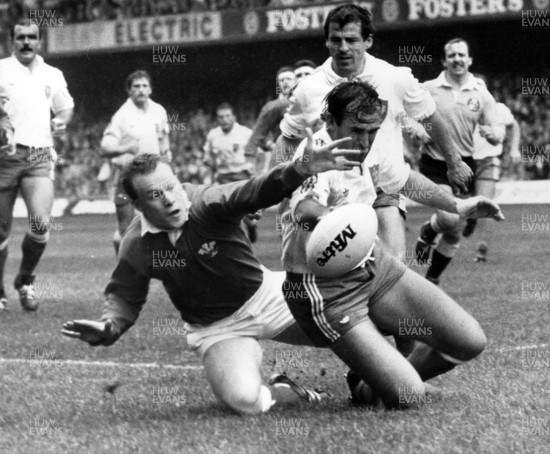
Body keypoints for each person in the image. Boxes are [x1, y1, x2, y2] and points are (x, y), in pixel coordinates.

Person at [61, 139, 361, 415]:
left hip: (267, 296)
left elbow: (254, 190)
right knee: (245, 401)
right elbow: (125, 296)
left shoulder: (205, 201)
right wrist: (109, 326)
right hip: (217, 328)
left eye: (171, 186)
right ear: (138, 205)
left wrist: (298, 170)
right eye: (154, 195)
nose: (168, 199)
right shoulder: (136, 245)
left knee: (350, 327)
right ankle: (284, 389)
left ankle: (372, 377)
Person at [281, 81, 504, 408]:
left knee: (469, 341)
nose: (364, 140)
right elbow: (304, 209)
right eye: (356, 129)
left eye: (371, 130)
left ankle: (372, 377)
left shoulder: (370, 149)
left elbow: (405, 180)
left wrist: (457, 205)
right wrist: (337, 220)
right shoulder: (315, 152)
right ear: (330, 121)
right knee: (408, 396)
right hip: (325, 289)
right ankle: (378, 384)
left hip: (373, 267)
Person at [278, 4, 473, 262]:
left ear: (368, 41)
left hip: (385, 186)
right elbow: (288, 137)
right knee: (343, 268)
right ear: (326, 42)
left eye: (351, 40)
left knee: (392, 267)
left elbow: (429, 117)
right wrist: (282, 182)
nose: (343, 47)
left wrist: (454, 162)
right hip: (333, 194)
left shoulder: (394, 78)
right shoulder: (308, 88)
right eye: (336, 40)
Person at [415, 38, 504, 284]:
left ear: (469, 59)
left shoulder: (482, 94)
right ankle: (431, 228)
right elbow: (404, 114)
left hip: (465, 165)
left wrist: (494, 134)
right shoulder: (429, 88)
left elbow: (497, 127)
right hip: (435, 163)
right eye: (451, 55)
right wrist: (417, 128)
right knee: (450, 219)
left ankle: (432, 279)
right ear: (444, 60)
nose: (457, 59)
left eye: (461, 55)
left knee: (454, 234)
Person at [0, 20, 74, 311]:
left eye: (32, 37)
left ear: (40, 41)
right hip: (4, 156)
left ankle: (26, 280)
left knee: (41, 223)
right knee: (1, 230)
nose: (27, 42)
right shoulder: (1, 70)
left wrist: (61, 121)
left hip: (40, 153)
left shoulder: (52, 74)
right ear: (12, 41)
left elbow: (65, 106)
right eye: (21, 37)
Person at [101, 70, 170, 254]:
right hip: (126, 178)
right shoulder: (121, 116)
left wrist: (166, 158)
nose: (141, 90)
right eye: (136, 86)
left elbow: (163, 138)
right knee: (127, 228)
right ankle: (125, 264)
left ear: (150, 89)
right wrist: (125, 148)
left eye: (144, 86)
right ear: (129, 91)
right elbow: (105, 148)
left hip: (151, 176)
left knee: (161, 222)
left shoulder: (159, 111)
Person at [464, 76, 521, 262]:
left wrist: (513, 149)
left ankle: (482, 248)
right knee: (466, 204)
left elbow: (515, 126)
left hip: (489, 160)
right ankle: (471, 217)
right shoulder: (461, 109)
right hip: (464, 161)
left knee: (486, 203)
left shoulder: (499, 109)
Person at [245, 62, 316, 175]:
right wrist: (250, 158)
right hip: (286, 154)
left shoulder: (324, 99)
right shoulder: (279, 105)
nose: (286, 83)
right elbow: (259, 131)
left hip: (314, 153)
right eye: (282, 80)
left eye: (288, 79)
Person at [204, 103, 256, 241]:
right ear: (217, 119)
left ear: (234, 117)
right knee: (223, 212)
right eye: (221, 117)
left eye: (227, 116)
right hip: (223, 177)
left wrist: (253, 166)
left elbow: (260, 152)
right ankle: (230, 240)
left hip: (241, 176)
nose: (224, 120)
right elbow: (208, 156)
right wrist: (210, 165)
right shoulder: (213, 135)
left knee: (244, 211)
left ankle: (250, 225)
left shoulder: (246, 133)